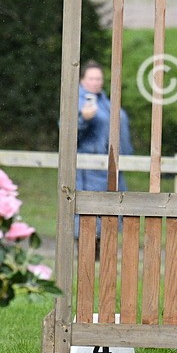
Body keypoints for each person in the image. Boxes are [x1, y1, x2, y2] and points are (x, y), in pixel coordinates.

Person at [76, 60, 133, 238]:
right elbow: (68, 131)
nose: (95, 82)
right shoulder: (78, 102)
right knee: (90, 217)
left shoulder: (105, 102)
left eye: (98, 78)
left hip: (112, 168)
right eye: (91, 78)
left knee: (111, 215)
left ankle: (103, 260)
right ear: (81, 80)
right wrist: (82, 119)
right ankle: (88, 259)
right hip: (90, 169)